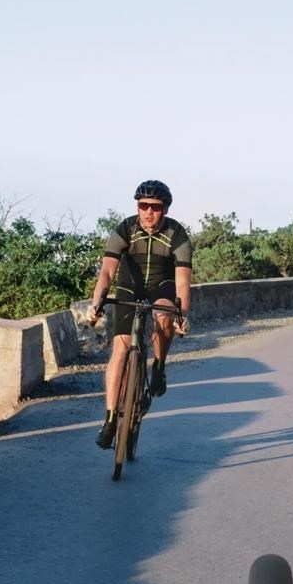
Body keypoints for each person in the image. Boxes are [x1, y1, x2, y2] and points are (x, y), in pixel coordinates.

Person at [87, 180, 192, 449]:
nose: (148, 212)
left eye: (155, 207)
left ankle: (159, 365)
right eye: (143, 206)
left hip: (162, 285)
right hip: (129, 287)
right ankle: (110, 419)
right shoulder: (125, 228)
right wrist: (97, 304)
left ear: (165, 209)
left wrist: (181, 315)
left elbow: (182, 281)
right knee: (119, 350)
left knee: (164, 316)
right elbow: (107, 272)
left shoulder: (177, 234)